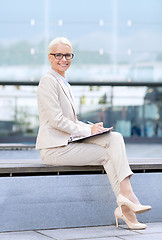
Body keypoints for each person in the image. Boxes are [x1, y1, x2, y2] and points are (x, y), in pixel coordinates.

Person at [36, 37, 151, 229]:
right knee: (110, 152)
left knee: (114, 138)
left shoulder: (62, 81)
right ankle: (128, 202)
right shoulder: (48, 81)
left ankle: (127, 205)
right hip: (54, 148)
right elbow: (57, 121)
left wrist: (92, 128)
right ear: (50, 57)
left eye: (68, 55)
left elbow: (71, 121)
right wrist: (86, 130)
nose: (64, 59)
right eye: (59, 55)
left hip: (68, 143)